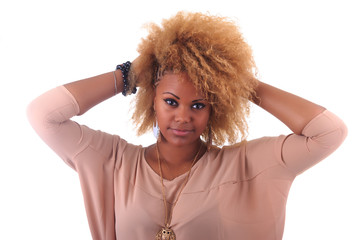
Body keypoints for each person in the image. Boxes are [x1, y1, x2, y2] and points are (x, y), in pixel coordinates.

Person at [27, 12, 347, 240]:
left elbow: (328, 132)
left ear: (214, 110)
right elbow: (43, 114)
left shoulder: (244, 165)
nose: (183, 117)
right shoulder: (114, 161)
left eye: (198, 105)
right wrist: (128, 75)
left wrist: (239, 83)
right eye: (170, 101)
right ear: (151, 99)